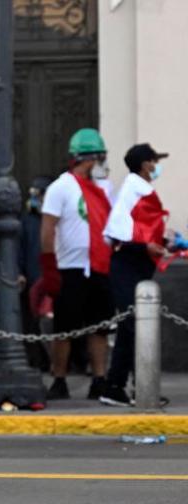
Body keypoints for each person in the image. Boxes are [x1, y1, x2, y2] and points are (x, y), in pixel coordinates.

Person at [39, 128, 113, 400]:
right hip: (69, 269)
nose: (102, 164)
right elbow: (48, 229)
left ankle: (99, 379)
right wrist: (49, 267)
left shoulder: (105, 188)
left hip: (98, 267)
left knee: (100, 327)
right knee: (64, 329)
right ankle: (59, 379)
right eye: (99, 158)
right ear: (88, 159)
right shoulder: (61, 187)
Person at [101, 144, 171, 406]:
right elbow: (120, 233)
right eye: (154, 161)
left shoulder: (140, 190)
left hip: (137, 266)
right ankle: (121, 387)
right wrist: (146, 246)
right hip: (127, 266)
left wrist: (166, 242)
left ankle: (123, 387)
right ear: (144, 164)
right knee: (131, 327)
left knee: (132, 327)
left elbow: (143, 229)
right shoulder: (134, 189)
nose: (156, 167)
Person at [19, 176, 54, 371]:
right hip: (33, 280)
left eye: (40, 194)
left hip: (53, 278)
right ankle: (38, 361)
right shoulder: (27, 221)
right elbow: (20, 248)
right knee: (32, 324)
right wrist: (19, 271)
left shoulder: (56, 218)